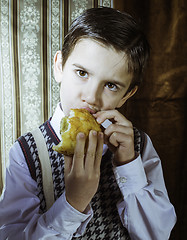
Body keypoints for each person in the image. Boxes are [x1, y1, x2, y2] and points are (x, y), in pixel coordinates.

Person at [0, 7, 176, 240]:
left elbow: (158, 234)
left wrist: (129, 166)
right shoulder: (26, 154)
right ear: (59, 66)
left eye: (111, 85)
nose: (92, 97)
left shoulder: (138, 147)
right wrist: (74, 202)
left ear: (127, 95)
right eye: (82, 73)